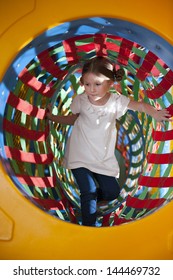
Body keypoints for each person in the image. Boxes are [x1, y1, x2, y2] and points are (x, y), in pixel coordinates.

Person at [46, 56, 171, 227]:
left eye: (97, 84)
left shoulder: (116, 102)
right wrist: (54, 118)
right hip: (79, 154)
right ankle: (87, 228)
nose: (91, 89)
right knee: (87, 192)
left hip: (102, 157)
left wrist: (155, 113)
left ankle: (91, 202)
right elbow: (74, 119)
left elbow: (140, 106)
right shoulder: (80, 101)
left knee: (112, 192)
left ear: (110, 83)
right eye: (87, 84)